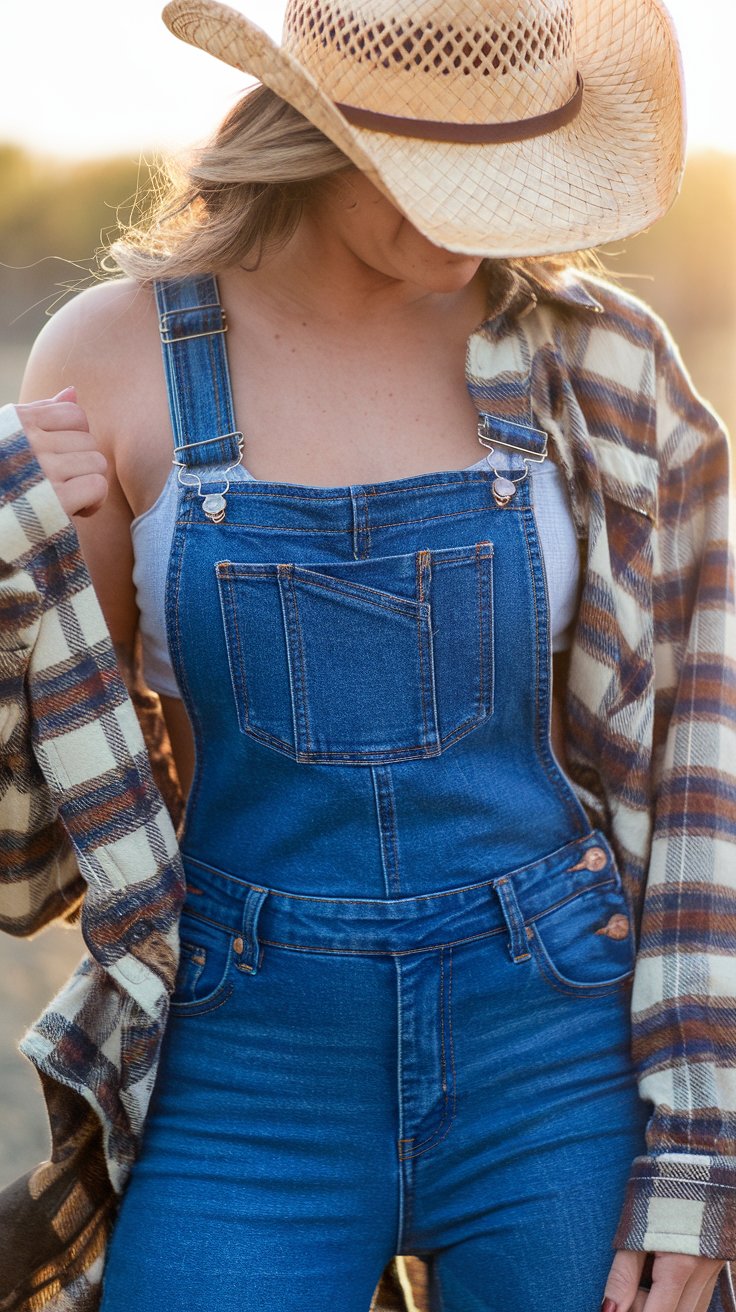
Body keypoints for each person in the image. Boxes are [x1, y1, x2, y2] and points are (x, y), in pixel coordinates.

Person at [11, 0, 736, 1309]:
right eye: (438, 171)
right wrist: (16, 559)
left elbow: (704, 782)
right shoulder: (114, 363)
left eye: (512, 170)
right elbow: (37, 831)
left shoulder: (604, 365)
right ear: (317, 134)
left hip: (557, 1046)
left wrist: (698, 1152)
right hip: (244, 1063)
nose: (486, 214)